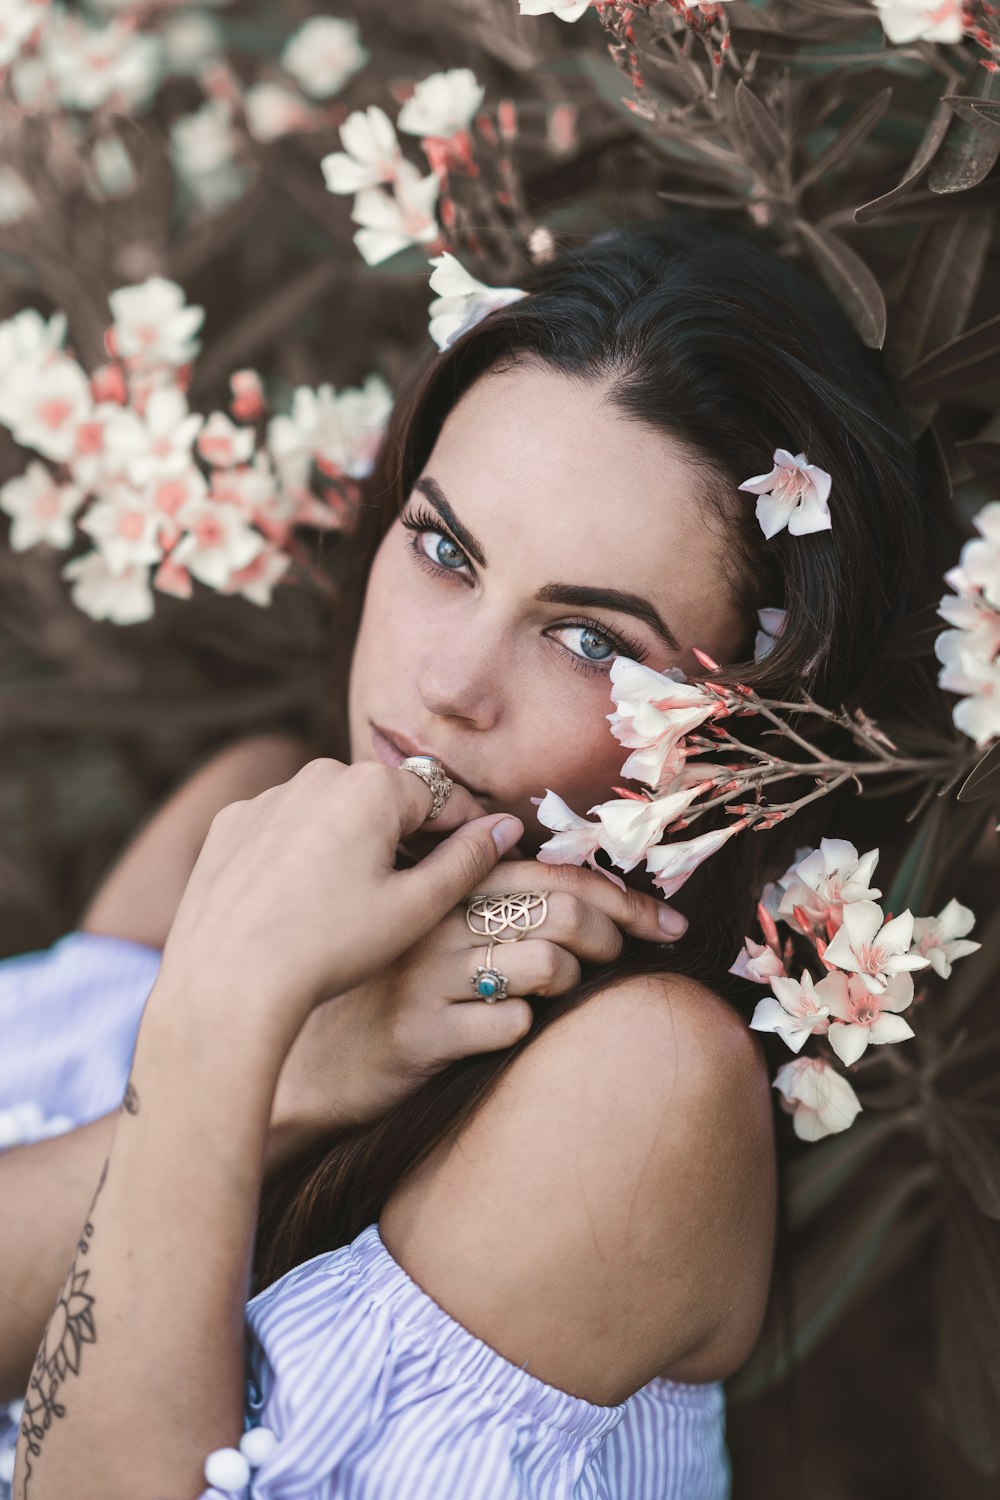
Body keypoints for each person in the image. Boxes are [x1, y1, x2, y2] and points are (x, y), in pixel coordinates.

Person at [0, 212, 954, 1500]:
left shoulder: (637, 1090)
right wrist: (305, 1069)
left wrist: (215, 1036)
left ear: (749, 737)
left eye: (595, 643)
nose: (447, 685)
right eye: (445, 551)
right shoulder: (237, 841)